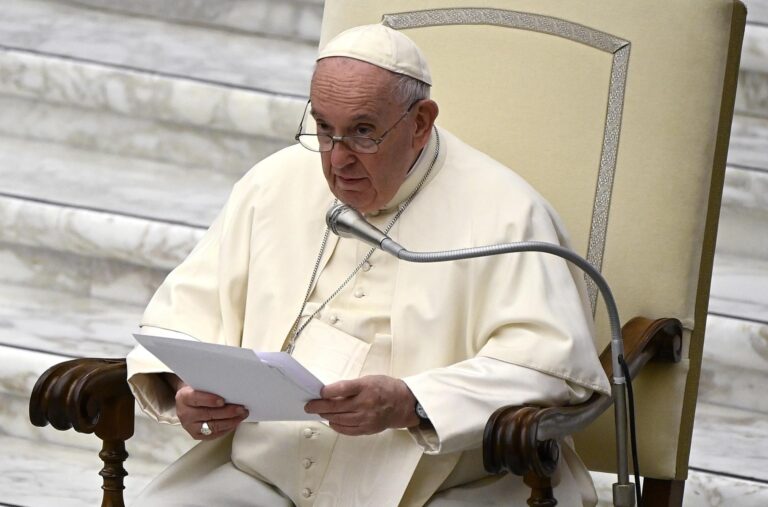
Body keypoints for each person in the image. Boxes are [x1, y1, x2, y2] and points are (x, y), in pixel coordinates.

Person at [126, 24, 610, 507]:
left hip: (442, 487)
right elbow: (181, 316)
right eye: (323, 128)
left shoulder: (508, 213)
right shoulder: (274, 182)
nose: (338, 160)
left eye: (362, 132)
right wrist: (187, 388)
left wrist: (411, 401)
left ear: (420, 122)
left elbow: (548, 366)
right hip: (264, 476)